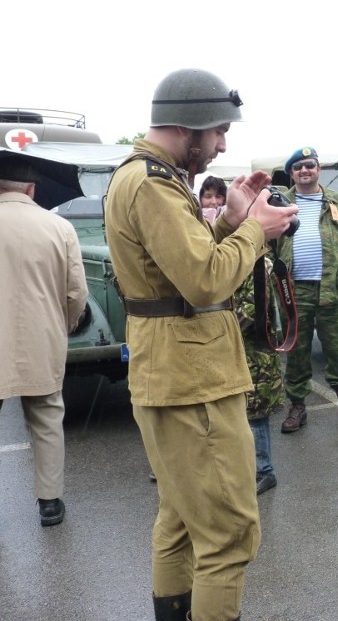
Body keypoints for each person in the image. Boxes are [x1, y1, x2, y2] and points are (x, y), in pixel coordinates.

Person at [104, 68, 298, 621]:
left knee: (181, 520)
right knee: (230, 534)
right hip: (193, 379)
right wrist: (255, 230)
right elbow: (205, 281)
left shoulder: (144, 176)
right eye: (217, 131)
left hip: (171, 369)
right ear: (188, 126)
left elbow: (172, 271)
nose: (222, 144)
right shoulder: (153, 183)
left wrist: (233, 220)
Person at [0, 155, 87, 527]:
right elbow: (76, 293)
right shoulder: (59, 227)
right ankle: (49, 504)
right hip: (43, 337)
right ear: (32, 190)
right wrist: (61, 327)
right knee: (47, 417)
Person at [277, 146, 338, 434]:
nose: (305, 170)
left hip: (333, 287)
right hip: (294, 290)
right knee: (297, 350)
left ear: (319, 170)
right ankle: (297, 407)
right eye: (299, 166)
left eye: (310, 165)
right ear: (291, 172)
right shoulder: (279, 203)